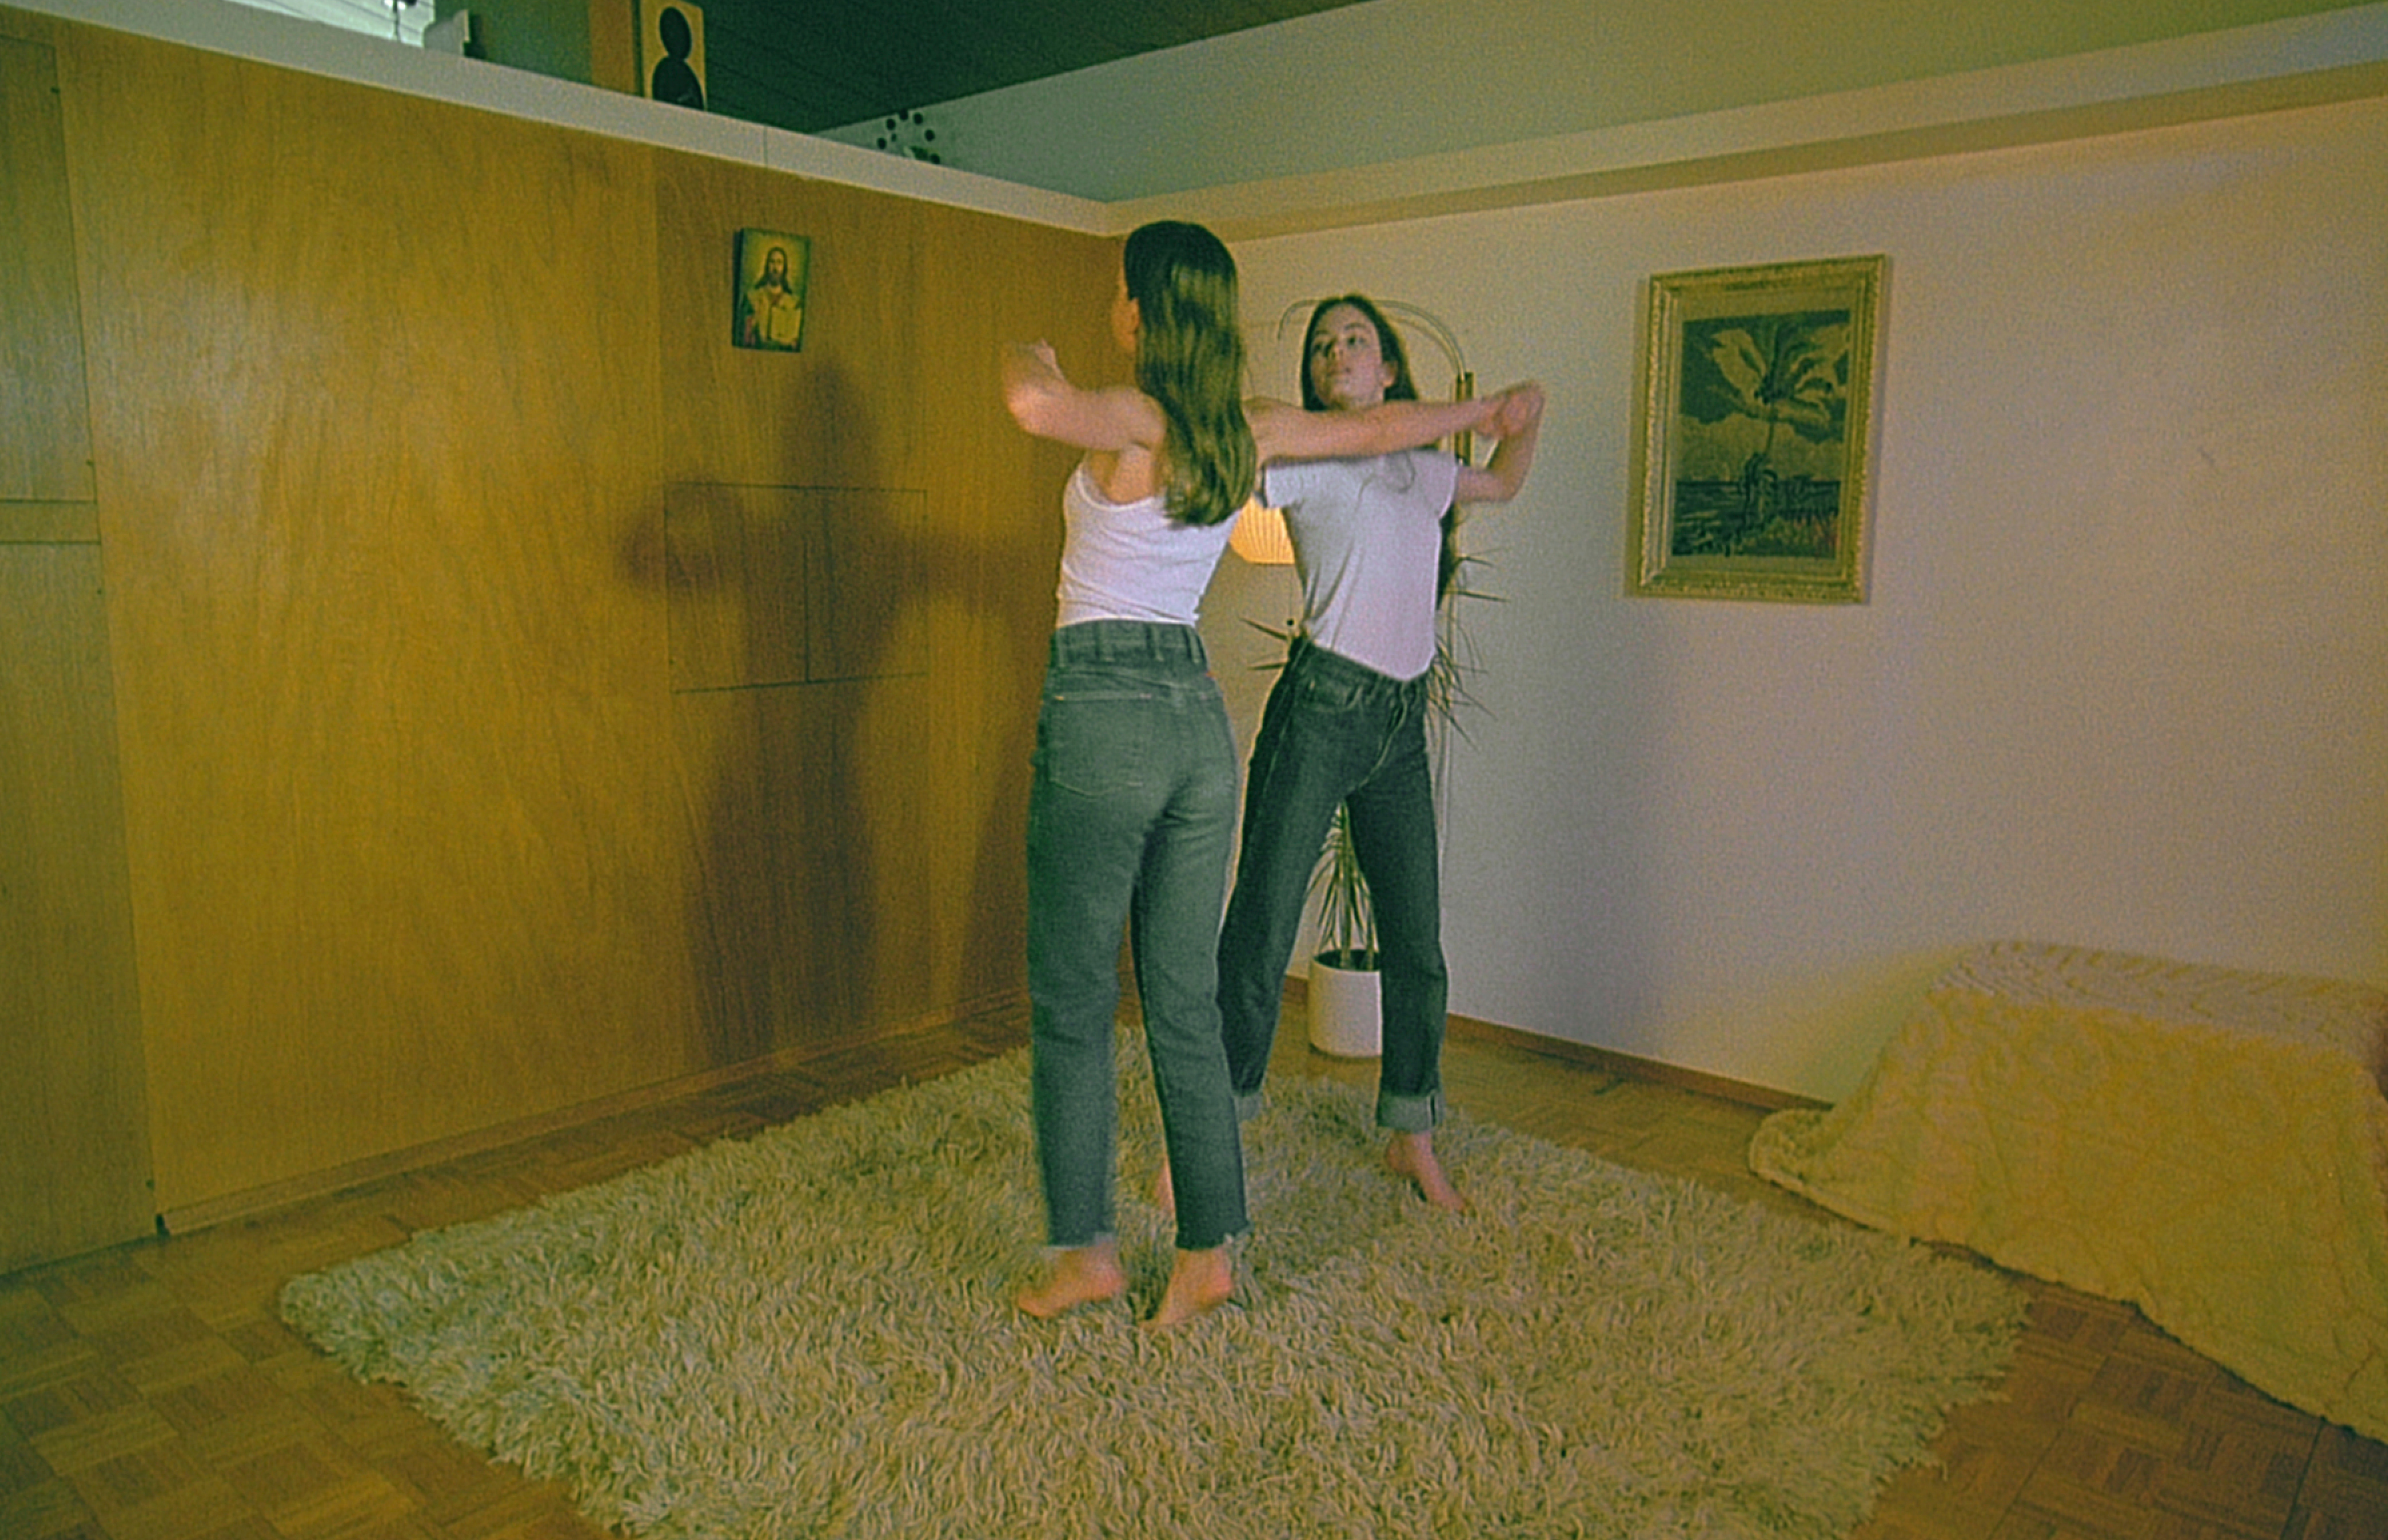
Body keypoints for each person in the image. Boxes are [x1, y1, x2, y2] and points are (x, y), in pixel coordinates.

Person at [1003, 228, 1534, 1325]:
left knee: (1073, 998)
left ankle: (1087, 1254)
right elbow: (1378, 429)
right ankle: (1208, 1250)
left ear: (1141, 311)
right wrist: (1483, 412)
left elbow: (1031, 404)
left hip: (1105, 707)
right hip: (1194, 721)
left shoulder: (1139, 416)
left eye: (1120, 293)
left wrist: (1032, 352)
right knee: (1185, 996)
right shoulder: (1248, 430)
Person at [1214, 294, 1545, 1212]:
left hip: (1399, 719)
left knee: (1415, 940)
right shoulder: (1300, 458)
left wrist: (1529, 415)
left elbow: (1504, 484)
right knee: (1262, 926)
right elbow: (1287, 437)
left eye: (1355, 339)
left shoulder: (1423, 469)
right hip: (1321, 709)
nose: (1337, 351)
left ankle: (1411, 1134)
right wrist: (1483, 411)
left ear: (1388, 367)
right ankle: (1212, 1133)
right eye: (1324, 345)